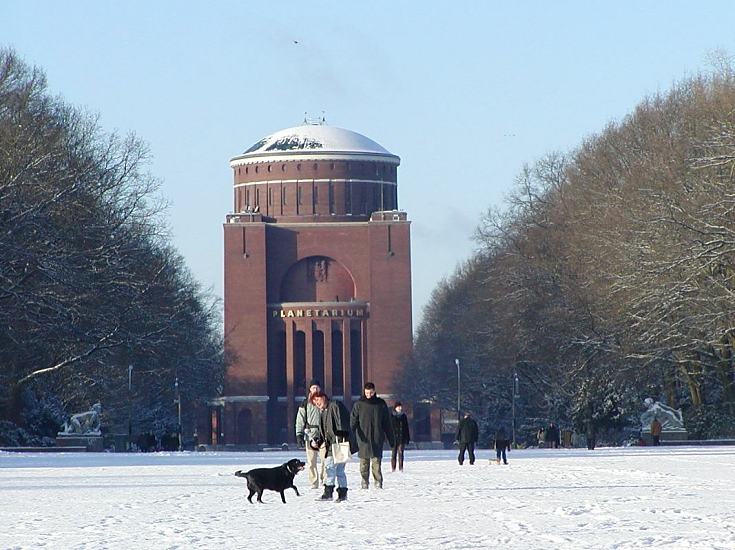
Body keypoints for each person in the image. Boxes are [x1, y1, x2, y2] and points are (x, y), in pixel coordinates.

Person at [350, 382, 395, 489]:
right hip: (363, 438)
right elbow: (353, 422)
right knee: (363, 463)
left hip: (377, 437)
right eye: (366, 392)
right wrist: (349, 436)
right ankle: (364, 482)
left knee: (376, 463)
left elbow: (387, 423)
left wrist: (391, 439)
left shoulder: (381, 404)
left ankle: (378, 482)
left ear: (374, 391)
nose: (368, 395)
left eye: (370, 392)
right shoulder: (359, 404)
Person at [311, 390, 351, 502]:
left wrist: (342, 435)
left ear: (323, 397)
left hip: (340, 443)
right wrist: (317, 441)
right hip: (330, 445)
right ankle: (335, 493)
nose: (317, 403)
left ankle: (335, 493)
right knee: (332, 468)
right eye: (315, 402)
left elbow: (342, 422)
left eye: (318, 400)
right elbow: (323, 431)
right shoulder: (323, 412)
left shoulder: (335, 405)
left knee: (336, 470)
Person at [295, 379, 326, 489]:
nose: (315, 389)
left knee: (325, 460)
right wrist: (299, 434)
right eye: (313, 388)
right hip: (310, 435)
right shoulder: (305, 404)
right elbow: (300, 420)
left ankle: (325, 480)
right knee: (311, 462)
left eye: (317, 387)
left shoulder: (326, 401)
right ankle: (314, 482)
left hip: (324, 435)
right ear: (310, 389)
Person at [390, 401, 411, 472]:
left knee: (401, 453)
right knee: (393, 454)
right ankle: (393, 468)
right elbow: (389, 427)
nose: (400, 408)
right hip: (394, 438)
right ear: (395, 408)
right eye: (398, 407)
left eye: (400, 406)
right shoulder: (391, 416)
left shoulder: (403, 416)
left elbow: (406, 428)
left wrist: (407, 438)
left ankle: (401, 468)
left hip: (402, 438)